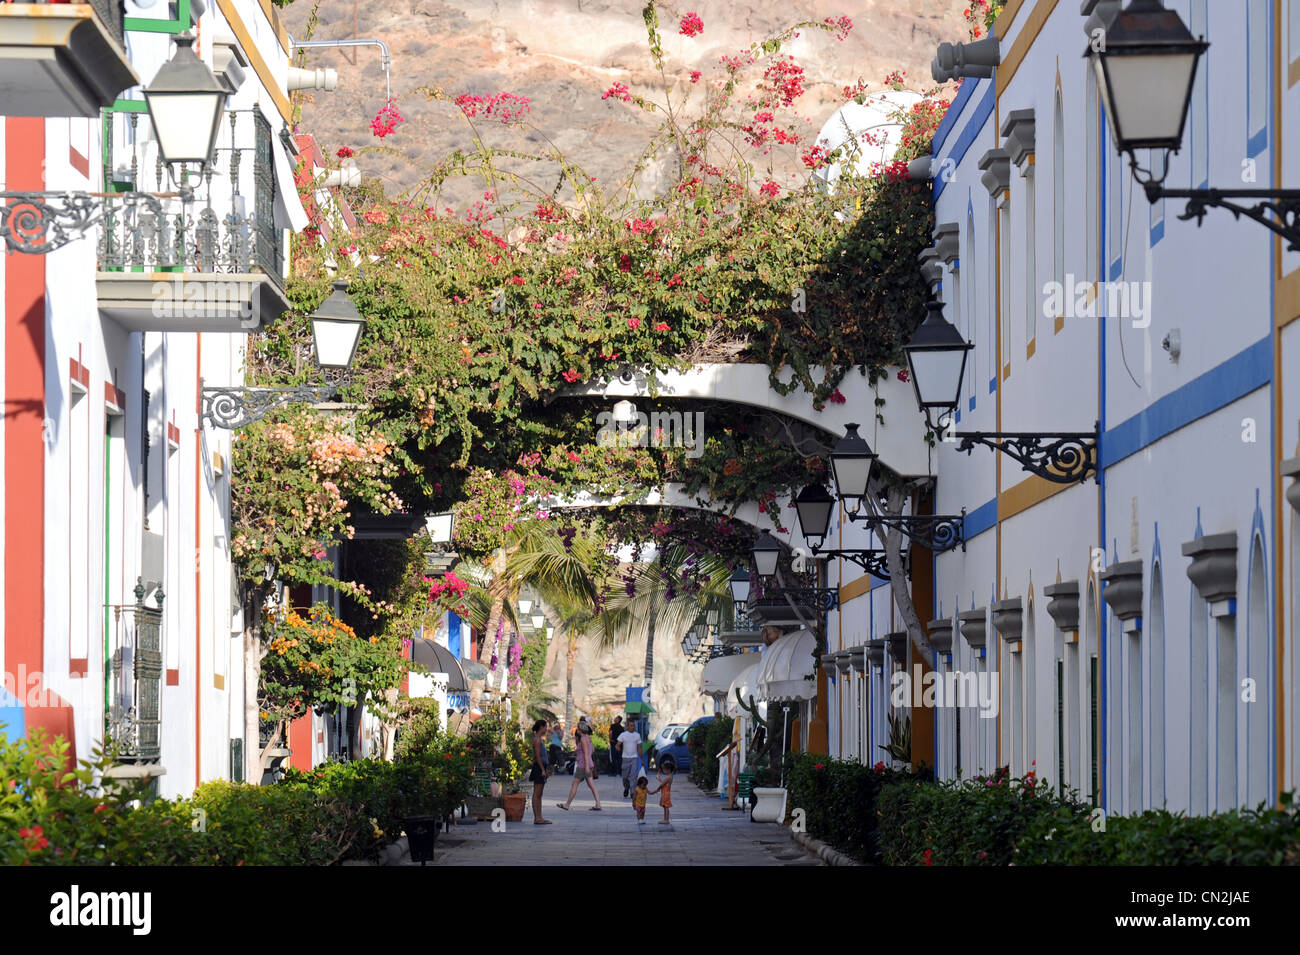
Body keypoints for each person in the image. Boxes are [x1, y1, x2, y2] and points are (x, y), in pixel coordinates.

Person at [556, 717, 603, 811]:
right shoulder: (588, 738)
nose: (576, 729)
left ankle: (567, 805)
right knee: (591, 785)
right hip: (589, 764)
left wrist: (585, 767)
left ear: (580, 729)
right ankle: (598, 804)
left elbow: (585, 754)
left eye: (577, 728)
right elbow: (592, 750)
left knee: (575, 784)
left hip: (583, 765)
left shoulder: (582, 739)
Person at [529, 719, 552, 825]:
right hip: (538, 767)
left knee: (540, 794)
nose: (546, 729)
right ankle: (537, 817)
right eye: (545, 727)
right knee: (537, 793)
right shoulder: (537, 740)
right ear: (541, 727)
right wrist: (542, 769)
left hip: (541, 767)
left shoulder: (539, 739)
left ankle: (540, 816)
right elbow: (537, 756)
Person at [616, 721, 643, 797]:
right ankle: (626, 788)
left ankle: (632, 792)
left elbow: (639, 748)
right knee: (625, 777)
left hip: (634, 758)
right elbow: (618, 744)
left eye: (633, 725)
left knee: (633, 776)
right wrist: (617, 747)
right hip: (625, 758)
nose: (632, 727)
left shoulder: (637, 735)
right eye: (631, 725)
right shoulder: (623, 735)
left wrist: (642, 759)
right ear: (627, 726)